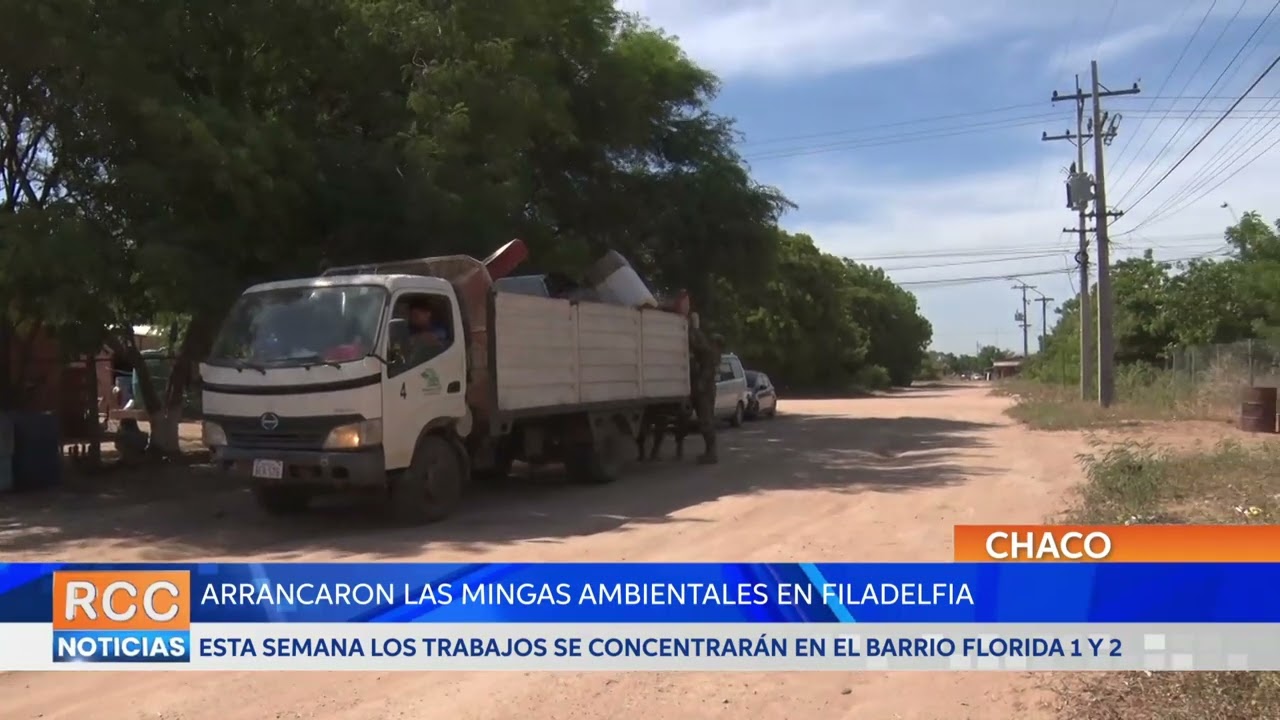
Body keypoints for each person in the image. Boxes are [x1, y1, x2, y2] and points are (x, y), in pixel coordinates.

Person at [688, 313, 720, 464]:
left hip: (705, 391)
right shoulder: (711, 352)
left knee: (706, 421)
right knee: (705, 420)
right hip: (705, 390)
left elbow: (698, 348)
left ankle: (711, 453)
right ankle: (710, 452)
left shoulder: (710, 353)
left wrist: (692, 331)